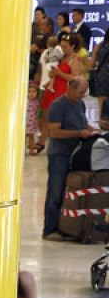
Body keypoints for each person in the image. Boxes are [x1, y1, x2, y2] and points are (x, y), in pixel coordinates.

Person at [44, 77, 99, 241]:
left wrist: (91, 129)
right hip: (59, 153)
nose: (82, 96)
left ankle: (66, 226)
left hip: (75, 153)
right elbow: (54, 132)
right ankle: (49, 229)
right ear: (70, 89)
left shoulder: (80, 104)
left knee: (70, 191)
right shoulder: (57, 106)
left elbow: (83, 123)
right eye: (80, 92)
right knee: (55, 191)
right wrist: (78, 133)